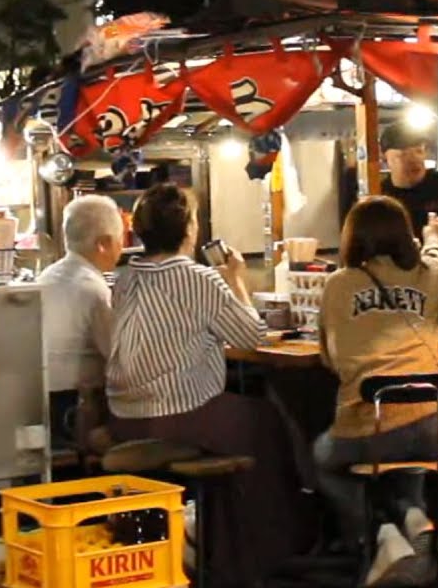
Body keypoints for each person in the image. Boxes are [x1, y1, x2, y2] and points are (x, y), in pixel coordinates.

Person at [106, 183, 304, 587]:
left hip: (123, 417)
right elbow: (250, 335)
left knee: (247, 419)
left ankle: (215, 548)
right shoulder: (198, 277)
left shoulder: (123, 278)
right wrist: (236, 280)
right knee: (268, 421)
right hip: (179, 416)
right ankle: (257, 558)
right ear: (189, 229)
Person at [316, 195, 438, 588]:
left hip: (370, 426)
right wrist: (433, 235)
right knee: (408, 458)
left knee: (323, 459)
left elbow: (329, 358)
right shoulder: (429, 274)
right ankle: (414, 519)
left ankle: (380, 534)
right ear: (405, 236)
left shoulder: (338, 284)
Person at [38, 195, 124, 449]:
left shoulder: (46, 277)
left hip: (40, 406)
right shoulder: (93, 289)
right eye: (120, 240)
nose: (121, 248)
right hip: (76, 412)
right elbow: (119, 357)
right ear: (103, 244)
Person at [380, 122, 438, 235]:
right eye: (403, 154)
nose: (414, 160)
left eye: (419, 151)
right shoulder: (380, 195)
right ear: (385, 158)